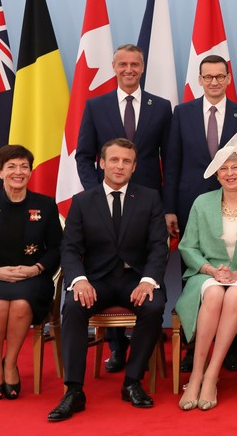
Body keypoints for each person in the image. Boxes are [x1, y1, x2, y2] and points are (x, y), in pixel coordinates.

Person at [49, 138, 169, 422]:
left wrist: (148, 281)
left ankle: (132, 382)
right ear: (101, 163)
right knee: (74, 308)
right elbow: (70, 248)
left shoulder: (150, 198)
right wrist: (78, 280)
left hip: (135, 279)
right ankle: (74, 390)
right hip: (95, 282)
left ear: (134, 166)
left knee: (153, 307)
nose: (120, 166)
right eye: (114, 160)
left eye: (126, 161)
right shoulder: (82, 201)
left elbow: (158, 246)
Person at [74, 43, 172, 373]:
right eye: (123, 64)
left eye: (135, 64)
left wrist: (169, 206)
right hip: (106, 204)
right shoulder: (96, 105)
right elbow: (83, 155)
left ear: (143, 68)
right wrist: (98, 195)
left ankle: (139, 357)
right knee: (107, 266)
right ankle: (117, 348)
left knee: (140, 271)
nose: (129, 69)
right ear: (113, 67)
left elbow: (169, 160)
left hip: (146, 205)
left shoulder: (161, 107)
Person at [165, 54, 237, 373]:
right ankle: (193, 346)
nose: (215, 82)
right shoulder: (183, 113)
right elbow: (173, 162)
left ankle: (230, 347)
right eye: (209, 77)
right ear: (200, 80)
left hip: (236, 204)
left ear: (229, 79)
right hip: (191, 203)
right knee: (193, 272)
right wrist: (169, 209)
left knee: (231, 267)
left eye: (220, 76)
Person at [174, 132, 237, 411]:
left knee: (233, 296)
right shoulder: (201, 202)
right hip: (208, 275)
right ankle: (196, 374)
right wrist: (210, 270)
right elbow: (188, 247)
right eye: (224, 169)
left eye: (235, 167)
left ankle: (211, 375)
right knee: (214, 296)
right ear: (216, 174)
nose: (229, 173)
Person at [0, 145, 62, 400]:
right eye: (11, 167)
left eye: (24, 166)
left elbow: (58, 249)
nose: (18, 172)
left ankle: (11, 364)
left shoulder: (46, 205)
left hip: (33, 278)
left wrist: (36, 268)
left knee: (19, 305)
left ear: (30, 171)